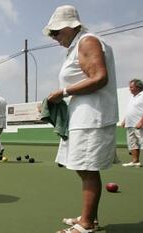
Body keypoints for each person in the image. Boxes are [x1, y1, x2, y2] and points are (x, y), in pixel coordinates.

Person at [44, 5, 118, 233]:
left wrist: (63, 92)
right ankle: (89, 218)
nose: (54, 38)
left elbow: (99, 78)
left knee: (87, 169)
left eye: (56, 32)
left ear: (69, 27)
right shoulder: (76, 46)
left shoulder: (87, 41)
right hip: (82, 117)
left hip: (92, 117)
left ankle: (86, 224)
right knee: (82, 167)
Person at [121, 79, 143, 167]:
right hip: (130, 124)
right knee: (132, 143)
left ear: (138, 87)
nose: (129, 89)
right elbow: (130, 110)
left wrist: (141, 122)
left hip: (139, 124)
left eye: (131, 87)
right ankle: (135, 161)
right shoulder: (132, 97)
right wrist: (124, 120)